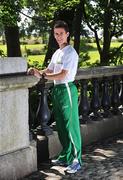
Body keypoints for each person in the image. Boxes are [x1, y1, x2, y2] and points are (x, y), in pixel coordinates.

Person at [28, 20, 82, 174]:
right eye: (56, 34)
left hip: (66, 89)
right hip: (57, 90)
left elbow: (62, 74)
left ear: (67, 34)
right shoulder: (57, 52)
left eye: (61, 34)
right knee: (61, 126)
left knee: (70, 126)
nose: (58, 37)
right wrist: (36, 71)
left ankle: (76, 160)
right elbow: (50, 69)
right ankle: (66, 156)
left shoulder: (70, 52)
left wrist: (43, 75)